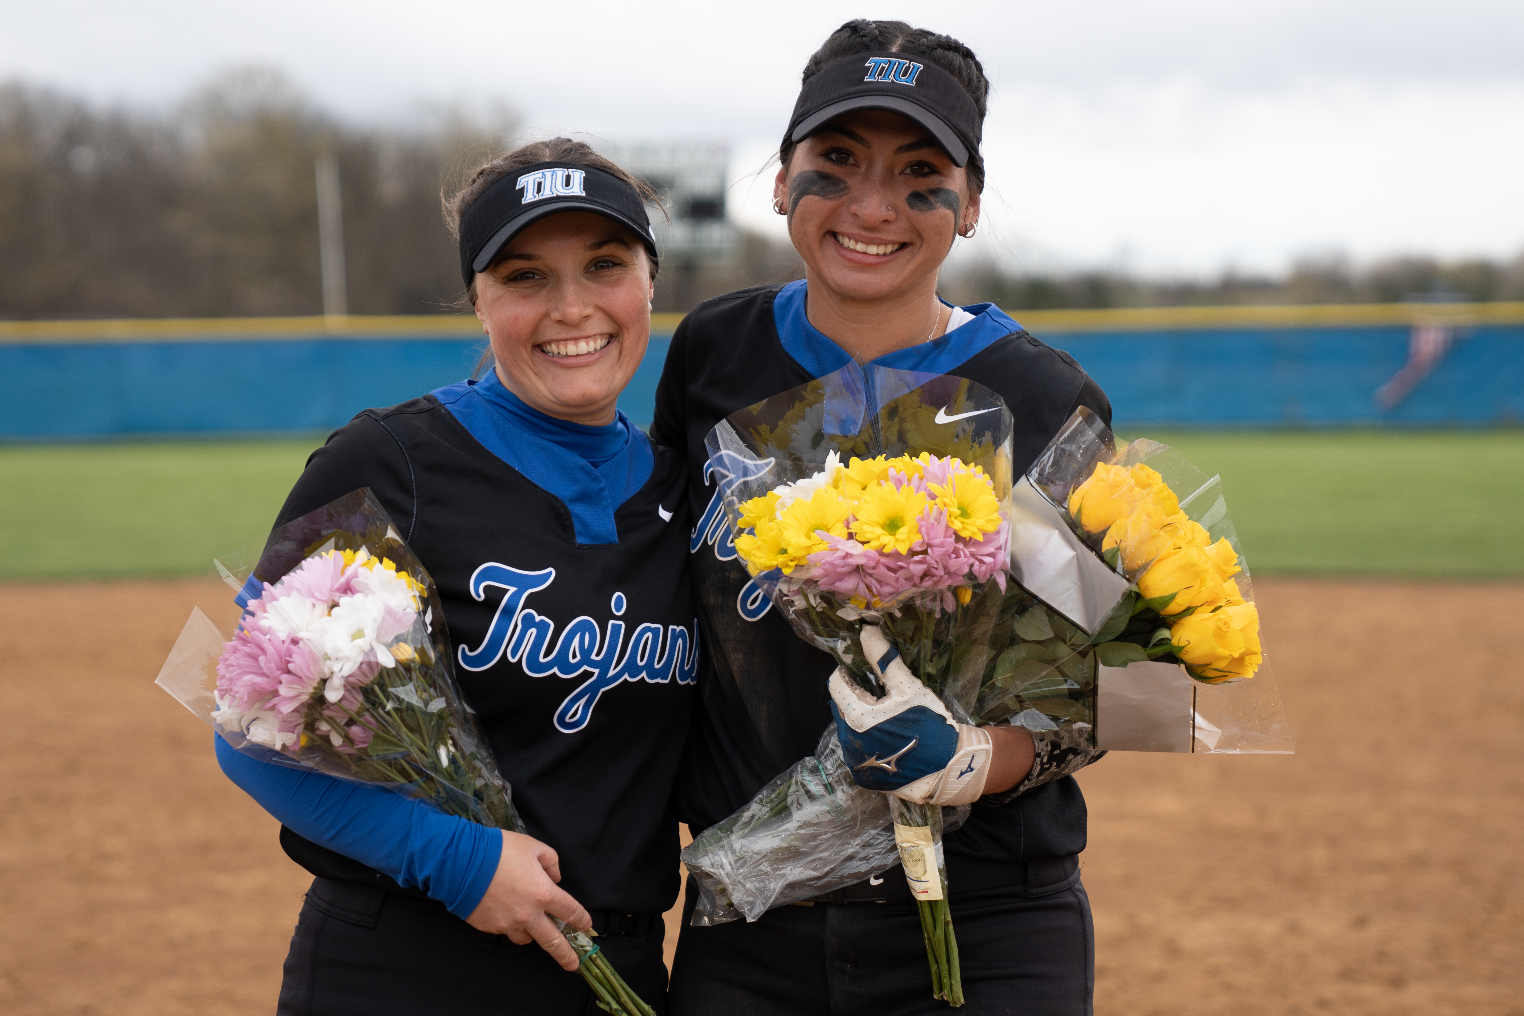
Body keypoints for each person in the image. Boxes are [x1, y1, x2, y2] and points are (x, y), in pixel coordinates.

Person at [652, 20, 1111, 1016]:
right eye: (837, 162)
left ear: (972, 203)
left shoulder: (1042, 396)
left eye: (919, 172)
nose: (873, 205)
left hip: (983, 919)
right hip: (751, 915)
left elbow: (1122, 682)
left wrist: (980, 759)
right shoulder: (711, 353)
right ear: (781, 182)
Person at [215, 138, 696, 1015]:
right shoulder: (391, 462)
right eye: (524, 277)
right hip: (409, 961)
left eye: (604, 264)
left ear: (650, 281)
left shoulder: (684, 487)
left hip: (619, 973)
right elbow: (249, 731)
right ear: (477, 300)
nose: (572, 305)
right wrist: (461, 862)